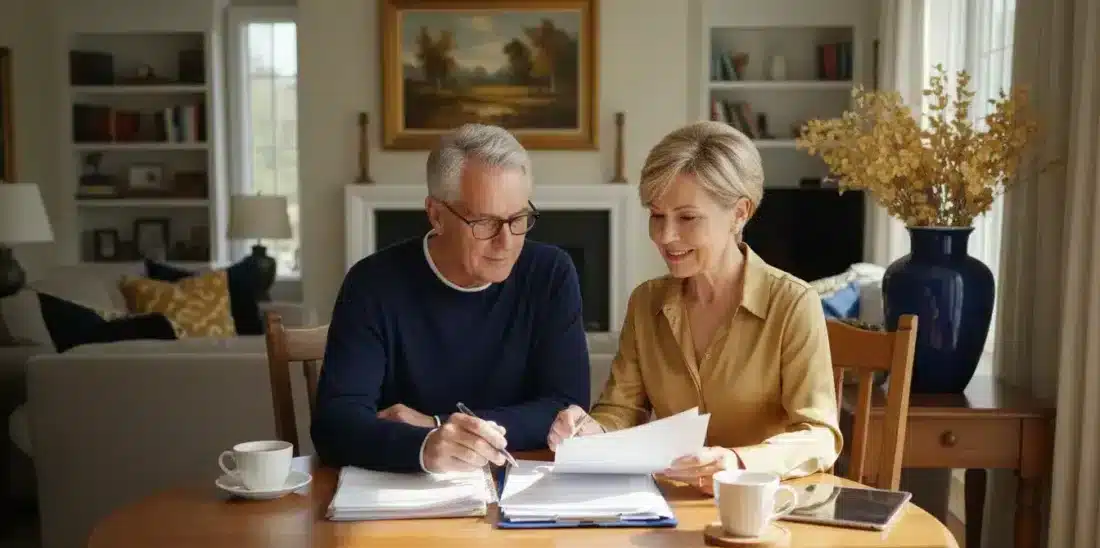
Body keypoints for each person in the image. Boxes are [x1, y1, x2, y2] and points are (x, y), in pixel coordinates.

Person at [547, 121, 841, 493]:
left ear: (740, 213)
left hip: (761, 507)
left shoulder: (792, 303)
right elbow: (621, 410)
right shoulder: (645, 303)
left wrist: (736, 461)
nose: (665, 236)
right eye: (657, 215)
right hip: (668, 506)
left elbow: (818, 435)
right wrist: (590, 430)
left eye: (687, 217)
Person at [313, 123, 590, 474]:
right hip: (407, 489)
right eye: (485, 222)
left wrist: (437, 425)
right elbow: (334, 425)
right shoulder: (372, 284)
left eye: (519, 218)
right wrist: (424, 448)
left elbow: (567, 409)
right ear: (436, 215)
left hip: (522, 483)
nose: (506, 242)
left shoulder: (550, 273)